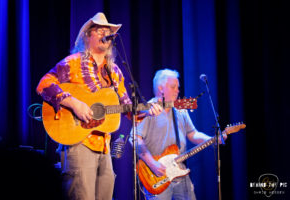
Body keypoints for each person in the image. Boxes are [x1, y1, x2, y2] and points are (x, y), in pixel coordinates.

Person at [36, 12, 162, 200]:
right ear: (87, 35)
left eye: (108, 31)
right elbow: (43, 85)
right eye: (100, 30)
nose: (106, 34)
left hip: (104, 146)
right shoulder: (73, 63)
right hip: (78, 142)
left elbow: (128, 108)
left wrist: (148, 111)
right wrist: (74, 103)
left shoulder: (115, 72)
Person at [131, 69, 226, 200]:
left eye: (178, 87)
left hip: (180, 172)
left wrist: (213, 139)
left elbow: (193, 134)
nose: (177, 90)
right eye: (173, 87)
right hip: (157, 174)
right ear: (161, 88)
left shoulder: (180, 109)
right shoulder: (148, 109)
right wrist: (153, 164)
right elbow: (135, 138)